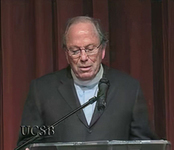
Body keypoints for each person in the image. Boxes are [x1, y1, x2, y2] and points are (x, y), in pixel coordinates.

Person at [17, 16, 157, 149]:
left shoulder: (129, 89)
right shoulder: (42, 91)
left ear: (102, 50)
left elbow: (144, 144)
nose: (83, 57)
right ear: (66, 54)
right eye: (75, 51)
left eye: (90, 49)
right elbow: (27, 144)